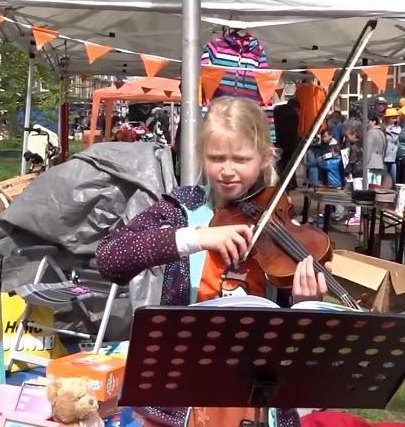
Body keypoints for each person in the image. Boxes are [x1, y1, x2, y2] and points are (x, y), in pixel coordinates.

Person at [96, 97, 326, 426]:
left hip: (257, 398)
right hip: (182, 394)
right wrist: (195, 237)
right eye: (216, 158)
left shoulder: (277, 217)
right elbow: (109, 258)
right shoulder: (180, 209)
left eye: (241, 159)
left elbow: (291, 343)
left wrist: (304, 306)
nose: (227, 171)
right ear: (203, 156)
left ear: (265, 158)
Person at [344, 127, 364, 226]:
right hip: (363, 171)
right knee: (362, 194)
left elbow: (352, 161)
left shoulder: (353, 147)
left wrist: (346, 171)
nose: (346, 139)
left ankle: (358, 216)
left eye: (347, 137)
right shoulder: (361, 145)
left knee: (358, 195)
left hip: (357, 172)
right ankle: (361, 214)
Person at [364, 112, 386, 187]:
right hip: (379, 162)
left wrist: (364, 163)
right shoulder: (382, 132)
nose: (366, 124)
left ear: (373, 121)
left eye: (367, 122)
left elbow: (368, 149)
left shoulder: (370, 133)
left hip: (370, 164)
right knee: (378, 186)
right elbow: (384, 148)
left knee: (369, 187)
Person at [382, 108, 400, 188]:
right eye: (392, 118)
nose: (394, 119)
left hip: (394, 157)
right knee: (382, 179)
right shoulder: (383, 128)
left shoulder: (399, 129)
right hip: (385, 156)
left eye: (395, 117)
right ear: (387, 118)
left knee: (395, 179)